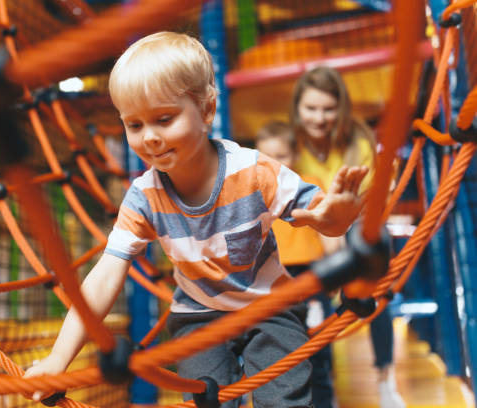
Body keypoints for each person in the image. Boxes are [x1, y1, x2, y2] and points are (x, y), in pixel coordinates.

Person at [24, 32, 368, 408]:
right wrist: (59, 359)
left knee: (286, 397)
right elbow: (105, 275)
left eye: (164, 119)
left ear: (206, 110)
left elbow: (325, 220)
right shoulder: (144, 197)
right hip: (199, 317)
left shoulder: (255, 172)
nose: (150, 137)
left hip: (271, 306)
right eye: (134, 125)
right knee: (206, 399)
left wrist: (336, 217)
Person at [290, 65, 405, 408]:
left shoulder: (358, 141)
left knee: (375, 290)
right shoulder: (292, 146)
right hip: (312, 237)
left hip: (354, 228)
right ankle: (325, 386)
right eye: (311, 108)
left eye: (328, 109)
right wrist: (326, 229)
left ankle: (385, 379)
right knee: (311, 308)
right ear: (297, 108)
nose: (319, 118)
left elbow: (370, 203)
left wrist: (341, 230)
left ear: (341, 108)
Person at [256, 121, 340, 408]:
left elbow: (328, 230)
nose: (275, 164)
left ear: (295, 154)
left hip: (310, 277)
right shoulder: (256, 192)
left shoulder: (308, 184)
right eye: (267, 158)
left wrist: (335, 270)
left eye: (281, 155)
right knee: (276, 346)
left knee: (317, 346)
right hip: (272, 278)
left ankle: (324, 401)